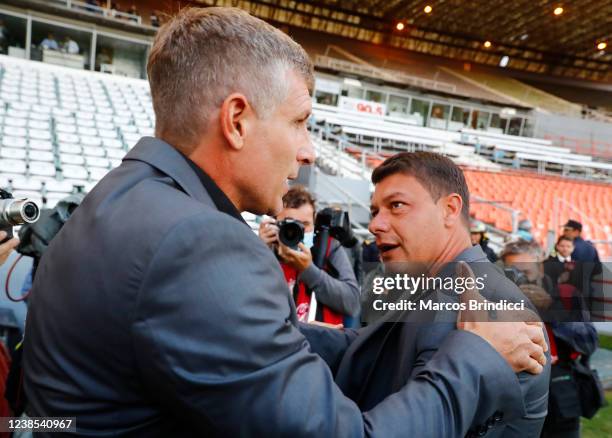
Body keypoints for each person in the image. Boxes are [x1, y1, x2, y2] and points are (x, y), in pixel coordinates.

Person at [24, 7, 547, 436]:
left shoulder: (119, 198)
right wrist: (475, 359)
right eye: (299, 122)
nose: (308, 151)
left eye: (399, 206)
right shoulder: (200, 242)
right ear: (237, 121)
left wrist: (304, 335)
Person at [303, 152, 550, 437]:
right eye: (374, 212)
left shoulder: (473, 301)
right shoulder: (434, 285)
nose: (375, 225)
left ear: (450, 209)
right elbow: (379, 349)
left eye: (397, 206)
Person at [501, 239, 597, 438]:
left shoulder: (566, 295)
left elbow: (589, 341)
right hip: (512, 394)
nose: (519, 282)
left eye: (525, 273)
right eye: (512, 274)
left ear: (541, 269)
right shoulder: (496, 299)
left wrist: (551, 310)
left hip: (560, 392)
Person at [258, 186, 360, 323]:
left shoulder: (328, 248)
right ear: (275, 223)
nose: (297, 231)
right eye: (289, 224)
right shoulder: (264, 250)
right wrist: (258, 250)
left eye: (305, 225)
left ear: (314, 224)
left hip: (318, 341)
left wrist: (309, 270)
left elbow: (352, 303)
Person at [562, 219, 602, 301]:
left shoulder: (567, 247)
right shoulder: (591, 247)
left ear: (576, 232)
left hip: (570, 291)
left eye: (567, 230)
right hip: (587, 290)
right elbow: (598, 269)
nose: (564, 232)